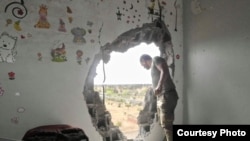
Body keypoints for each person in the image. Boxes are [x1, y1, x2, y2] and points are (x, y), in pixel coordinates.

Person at [139, 54, 178, 141]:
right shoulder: (153, 67)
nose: (143, 67)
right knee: (164, 124)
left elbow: (164, 70)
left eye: (142, 65)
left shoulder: (155, 59)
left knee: (166, 124)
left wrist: (159, 86)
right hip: (162, 96)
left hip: (167, 95)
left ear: (144, 61)